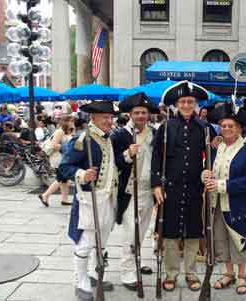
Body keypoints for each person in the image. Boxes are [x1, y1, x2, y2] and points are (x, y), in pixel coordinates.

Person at [151, 80, 214, 292]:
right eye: (183, 101)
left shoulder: (205, 128)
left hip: (196, 189)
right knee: (169, 232)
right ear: (176, 104)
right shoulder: (166, 127)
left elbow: (214, 156)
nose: (187, 105)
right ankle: (171, 273)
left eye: (190, 101)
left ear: (196, 104)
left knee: (193, 232)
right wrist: (156, 184)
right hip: (171, 188)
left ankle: (191, 273)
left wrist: (210, 174)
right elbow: (156, 157)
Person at [59, 101, 118, 301]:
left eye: (111, 117)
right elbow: (64, 167)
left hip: (107, 199)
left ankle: (94, 273)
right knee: (85, 243)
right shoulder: (83, 139)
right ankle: (80, 281)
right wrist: (83, 174)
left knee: (101, 242)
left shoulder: (108, 138)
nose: (109, 121)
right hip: (89, 200)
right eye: (105, 118)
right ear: (93, 118)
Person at [202, 103, 246, 295]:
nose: (226, 129)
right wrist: (205, 176)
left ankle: (242, 275)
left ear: (239, 128)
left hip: (235, 204)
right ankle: (228, 273)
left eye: (230, 126)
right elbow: (208, 168)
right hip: (216, 204)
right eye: (223, 126)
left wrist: (221, 185)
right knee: (221, 239)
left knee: (237, 239)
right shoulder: (217, 147)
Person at [111, 93, 158, 290]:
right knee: (131, 231)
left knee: (143, 230)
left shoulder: (154, 133)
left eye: (144, 112)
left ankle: (137, 260)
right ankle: (127, 270)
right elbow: (115, 162)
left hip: (149, 190)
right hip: (131, 191)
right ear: (130, 114)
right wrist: (128, 154)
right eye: (137, 112)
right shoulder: (120, 135)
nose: (140, 116)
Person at [39, 115, 75, 206]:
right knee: (61, 178)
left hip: (64, 157)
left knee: (64, 180)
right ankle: (45, 195)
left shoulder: (69, 131)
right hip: (58, 158)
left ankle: (64, 199)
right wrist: (66, 148)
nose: (72, 123)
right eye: (70, 121)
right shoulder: (60, 131)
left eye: (73, 121)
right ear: (65, 122)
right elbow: (54, 145)